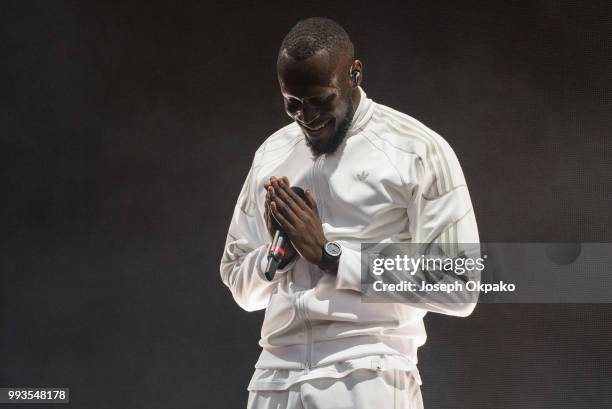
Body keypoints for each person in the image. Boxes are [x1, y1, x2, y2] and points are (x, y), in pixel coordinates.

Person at [220, 17, 480, 409]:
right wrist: (275, 256)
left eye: (320, 100)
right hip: (273, 377)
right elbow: (240, 285)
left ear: (354, 74)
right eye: (293, 104)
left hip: (368, 371)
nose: (306, 117)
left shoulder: (417, 149)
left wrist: (332, 255)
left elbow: (461, 283)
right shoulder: (271, 153)